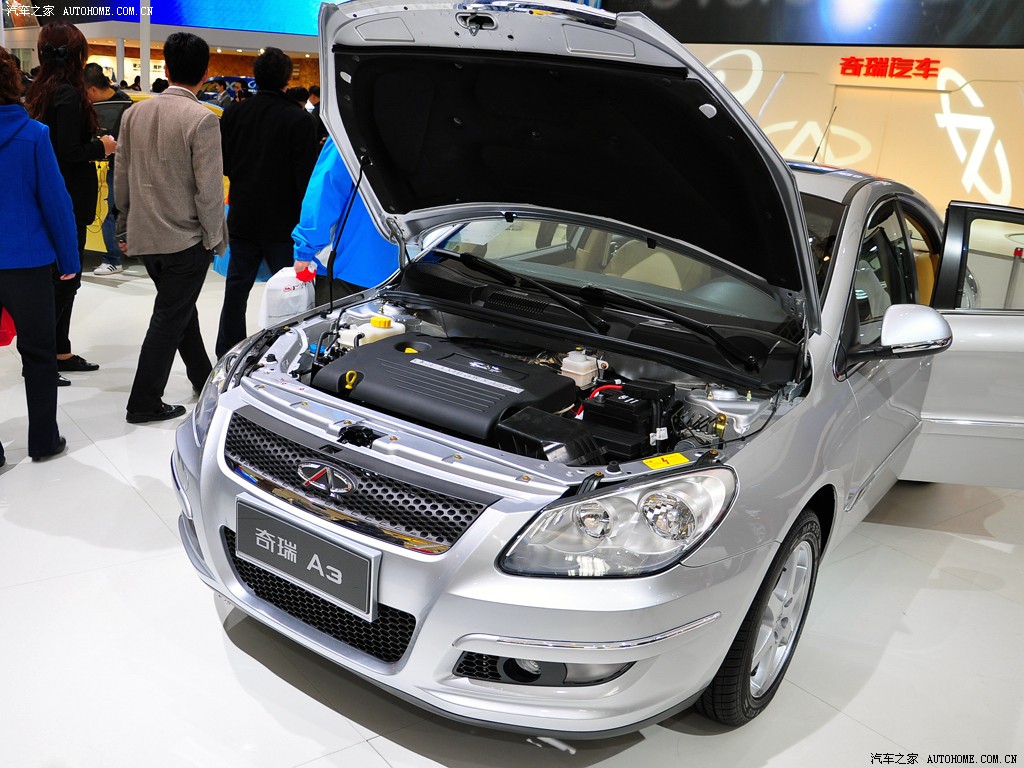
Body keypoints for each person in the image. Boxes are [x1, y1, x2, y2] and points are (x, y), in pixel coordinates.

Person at [115, 31, 225, 424]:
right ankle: (143, 402)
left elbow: (121, 176)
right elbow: (209, 191)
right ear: (205, 73)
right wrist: (214, 238)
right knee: (169, 317)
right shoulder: (203, 119)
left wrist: (124, 224)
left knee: (179, 310)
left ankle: (203, 378)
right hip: (185, 239)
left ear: (165, 67)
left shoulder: (134, 114)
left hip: (147, 236)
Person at [24, 20, 115, 384]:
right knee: (64, 279)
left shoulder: (39, 91)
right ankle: (46, 357)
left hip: (47, 195)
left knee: (59, 279)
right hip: (66, 198)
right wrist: (102, 147)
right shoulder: (68, 94)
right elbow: (68, 152)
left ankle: (58, 351)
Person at [0, 46, 79, 464]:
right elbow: (56, 203)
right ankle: (44, 440)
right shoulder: (33, 135)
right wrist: (69, 260)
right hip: (26, 262)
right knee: (38, 353)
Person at [216, 47, 318, 357]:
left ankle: (227, 351)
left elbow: (225, 164)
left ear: (255, 76)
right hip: (284, 221)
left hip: (243, 214)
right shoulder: (299, 119)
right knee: (289, 291)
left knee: (236, 287)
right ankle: (285, 353)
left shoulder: (234, 113)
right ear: (287, 79)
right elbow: (305, 178)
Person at [292, 135, 399, 302]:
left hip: (345, 265)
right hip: (398, 264)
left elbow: (326, 192)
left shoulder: (348, 130)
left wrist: (305, 250)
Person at [84, 61, 132, 276]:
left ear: (93, 89)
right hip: (110, 167)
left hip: (125, 167)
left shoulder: (125, 105)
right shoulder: (117, 103)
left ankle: (113, 258)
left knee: (111, 211)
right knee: (110, 211)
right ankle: (114, 257)